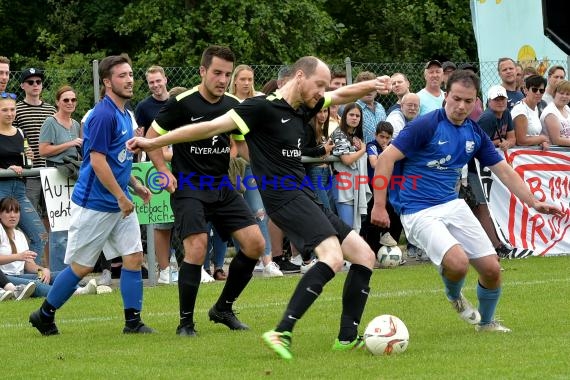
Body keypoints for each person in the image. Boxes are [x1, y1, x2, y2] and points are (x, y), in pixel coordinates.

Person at [128, 55, 392, 360]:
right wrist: (151, 144)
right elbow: (208, 127)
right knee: (331, 257)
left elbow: (341, 95)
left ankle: (346, 338)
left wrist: (371, 84)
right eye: (319, 84)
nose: (323, 92)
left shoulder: (305, 106)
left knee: (364, 256)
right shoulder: (259, 107)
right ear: (299, 78)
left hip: (306, 195)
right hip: (285, 199)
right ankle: (281, 331)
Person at [371, 69, 562, 334]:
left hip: (452, 204)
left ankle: (486, 324)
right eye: (456, 99)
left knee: (492, 269)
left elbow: (504, 170)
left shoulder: (474, 134)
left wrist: (534, 202)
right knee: (458, 263)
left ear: (475, 102)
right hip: (418, 210)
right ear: (446, 96)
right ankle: (454, 296)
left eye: (468, 101)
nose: (461, 106)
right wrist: (379, 205)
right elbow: (385, 159)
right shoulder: (424, 126)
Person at [29, 55, 155, 336]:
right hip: (96, 203)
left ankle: (133, 323)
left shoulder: (125, 113)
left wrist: (134, 186)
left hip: (119, 200)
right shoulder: (102, 115)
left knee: (134, 257)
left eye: (131, 74)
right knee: (82, 267)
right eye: (122, 75)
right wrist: (122, 197)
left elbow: (118, 160)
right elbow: (97, 162)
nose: (130, 79)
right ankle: (44, 313)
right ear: (108, 82)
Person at [144, 46, 265, 337]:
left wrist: (267, 169)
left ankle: (223, 307)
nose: (223, 79)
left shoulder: (235, 104)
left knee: (255, 245)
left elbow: (242, 144)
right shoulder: (181, 103)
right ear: (202, 71)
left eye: (227, 74)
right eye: (217, 73)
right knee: (196, 247)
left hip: (221, 186)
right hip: (189, 187)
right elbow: (151, 138)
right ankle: (185, 323)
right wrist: (162, 170)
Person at [229, 64, 282, 278]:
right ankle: (246, 259)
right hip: (231, 166)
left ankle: (268, 261)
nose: (246, 83)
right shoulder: (227, 102)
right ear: (235, 81)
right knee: (235, 216)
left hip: (253, 164)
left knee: (259, 212)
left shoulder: (259, 101)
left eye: (250, 79)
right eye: (242, 79)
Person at [0, 197, 100, 298]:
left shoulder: (19, 235)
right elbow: (17, 258)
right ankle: (72, 294)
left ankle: (79, 290)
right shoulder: (0, 231)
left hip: (20, 275)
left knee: (56, 275)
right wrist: (18, 256)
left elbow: (29, 265)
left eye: (16, 211)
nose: (12, 216)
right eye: (8, 212)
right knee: (35, 284)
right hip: (5, 277)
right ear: (0, 215)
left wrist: (43, 270)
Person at [134, 65, 177, 284]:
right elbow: (141, 141)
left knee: (187, 219)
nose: (156, 85)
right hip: (154, 168)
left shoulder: (178, 101)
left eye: (158, 81)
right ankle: (164, 270)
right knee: (162, 222)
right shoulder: (143, 107)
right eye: (151, 82)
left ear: (165, 80)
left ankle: (192, 267)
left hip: (181, 165)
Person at [0, 91, 47, 269]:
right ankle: (6, 279)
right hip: (1, 188)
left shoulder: (20, 132)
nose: (10, 113)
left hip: (19, 190)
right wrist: (6, 170)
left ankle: (27, 273)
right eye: (5, 110)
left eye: (12, 109)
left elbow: (26, 163)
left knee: (40, 235)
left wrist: (29, 157)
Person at [38, 85, 82, 272]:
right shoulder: (50, 122)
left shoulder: (76, 124)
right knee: (58, 230)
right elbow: (43, 150)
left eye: (73, 100)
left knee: (72, 228)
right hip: (54, 175)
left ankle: (71, 273)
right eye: (66, 100)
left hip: (72, 175)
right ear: (57, 102)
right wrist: (69, 143)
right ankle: (58, 274)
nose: (70, 103)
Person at [469, 85, 516, 258]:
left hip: (489, 168)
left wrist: (508, 143)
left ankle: (496, 243)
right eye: (496, 99)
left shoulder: (507, 114)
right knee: (482, 207)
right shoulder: (487, 118)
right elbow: (479, 144)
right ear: (489, 101)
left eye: (502, 98)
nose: (500, 102)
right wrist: (498, 143)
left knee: (489, 206)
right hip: (475, 169)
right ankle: (495, 246)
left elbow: (512, 137)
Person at [13, 68, 53, 263]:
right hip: (28, 173)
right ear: (22, 86)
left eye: (38, 81)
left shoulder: (51, 109)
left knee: (51, 219)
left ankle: (49, 265)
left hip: (50, 171)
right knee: (29, 221)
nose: (35, 85)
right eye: (30, 82)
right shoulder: (17, 110)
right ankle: (29, 265)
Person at [361, 121, 401, 254]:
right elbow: (374, 163)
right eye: (381, 137)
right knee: (374, 222)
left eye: (387, 138)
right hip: (374, 187)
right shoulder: (372, 145)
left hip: (390, 187)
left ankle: (391, 250)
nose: (384, 140)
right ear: (375, 135)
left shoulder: (393, 146)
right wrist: (386, 154)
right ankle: (373, 252)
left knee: (394, 216)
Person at [330, 102, 370, 231]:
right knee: (347, 228)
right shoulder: (339, 133)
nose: (354, 118)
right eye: (351, 115)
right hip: (342, 185)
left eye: (357, 116)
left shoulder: (356, 137)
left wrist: (360, 149)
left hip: (355, 184)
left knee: (353, 228)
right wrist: (363, 150)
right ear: (345, 116)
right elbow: (346, 160)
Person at [512, 74, 549, 149]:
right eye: (534, 90)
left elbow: (534, 135)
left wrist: (541, 141)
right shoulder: (520, 110)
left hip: (532, 154)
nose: (538, 93)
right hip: (520, 155)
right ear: (526, 90)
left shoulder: (534, 107)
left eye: (541, 90)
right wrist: (542, 138)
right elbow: (521, 141)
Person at [355, 71, 386, 143]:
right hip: (363, 152)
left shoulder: (380, 107)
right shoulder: (354, 109)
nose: (369, 91)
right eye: (365, 88)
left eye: (371, 88)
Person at [540, 80, 570, 146]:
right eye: (561, 93)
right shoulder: (550, 112)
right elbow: (556, 140)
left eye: (568, 94)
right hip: (555, 153)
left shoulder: (567, 108)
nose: (564, 96)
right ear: (555, 93)